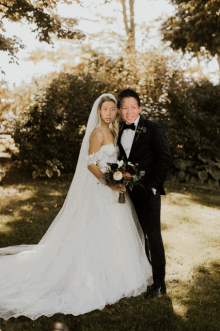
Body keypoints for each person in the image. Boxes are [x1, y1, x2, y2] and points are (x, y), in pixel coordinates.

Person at [0, 94, 152, 321]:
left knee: (116, 233)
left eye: (113, 109)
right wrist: (109, 183)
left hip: (114, 190)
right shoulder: (97, 133)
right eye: (106, 109)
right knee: (97, 232)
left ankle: (115, 272)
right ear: (99, 111)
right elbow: (90, 164)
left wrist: (119, 177)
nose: (109, 113)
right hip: (101, 191)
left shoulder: (112, 131)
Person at [117, 89, 173, 298]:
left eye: (133, 107)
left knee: (153, 236)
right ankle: (144, 274)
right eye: (125, 108)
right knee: (137, 237)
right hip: (129, 194)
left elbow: (166, 159)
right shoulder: (120, 130)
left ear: (140, 108)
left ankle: (159, 284)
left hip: (149, 193)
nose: (129, 112)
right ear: (120, 110)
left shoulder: (152, 128)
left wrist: (154, 186)